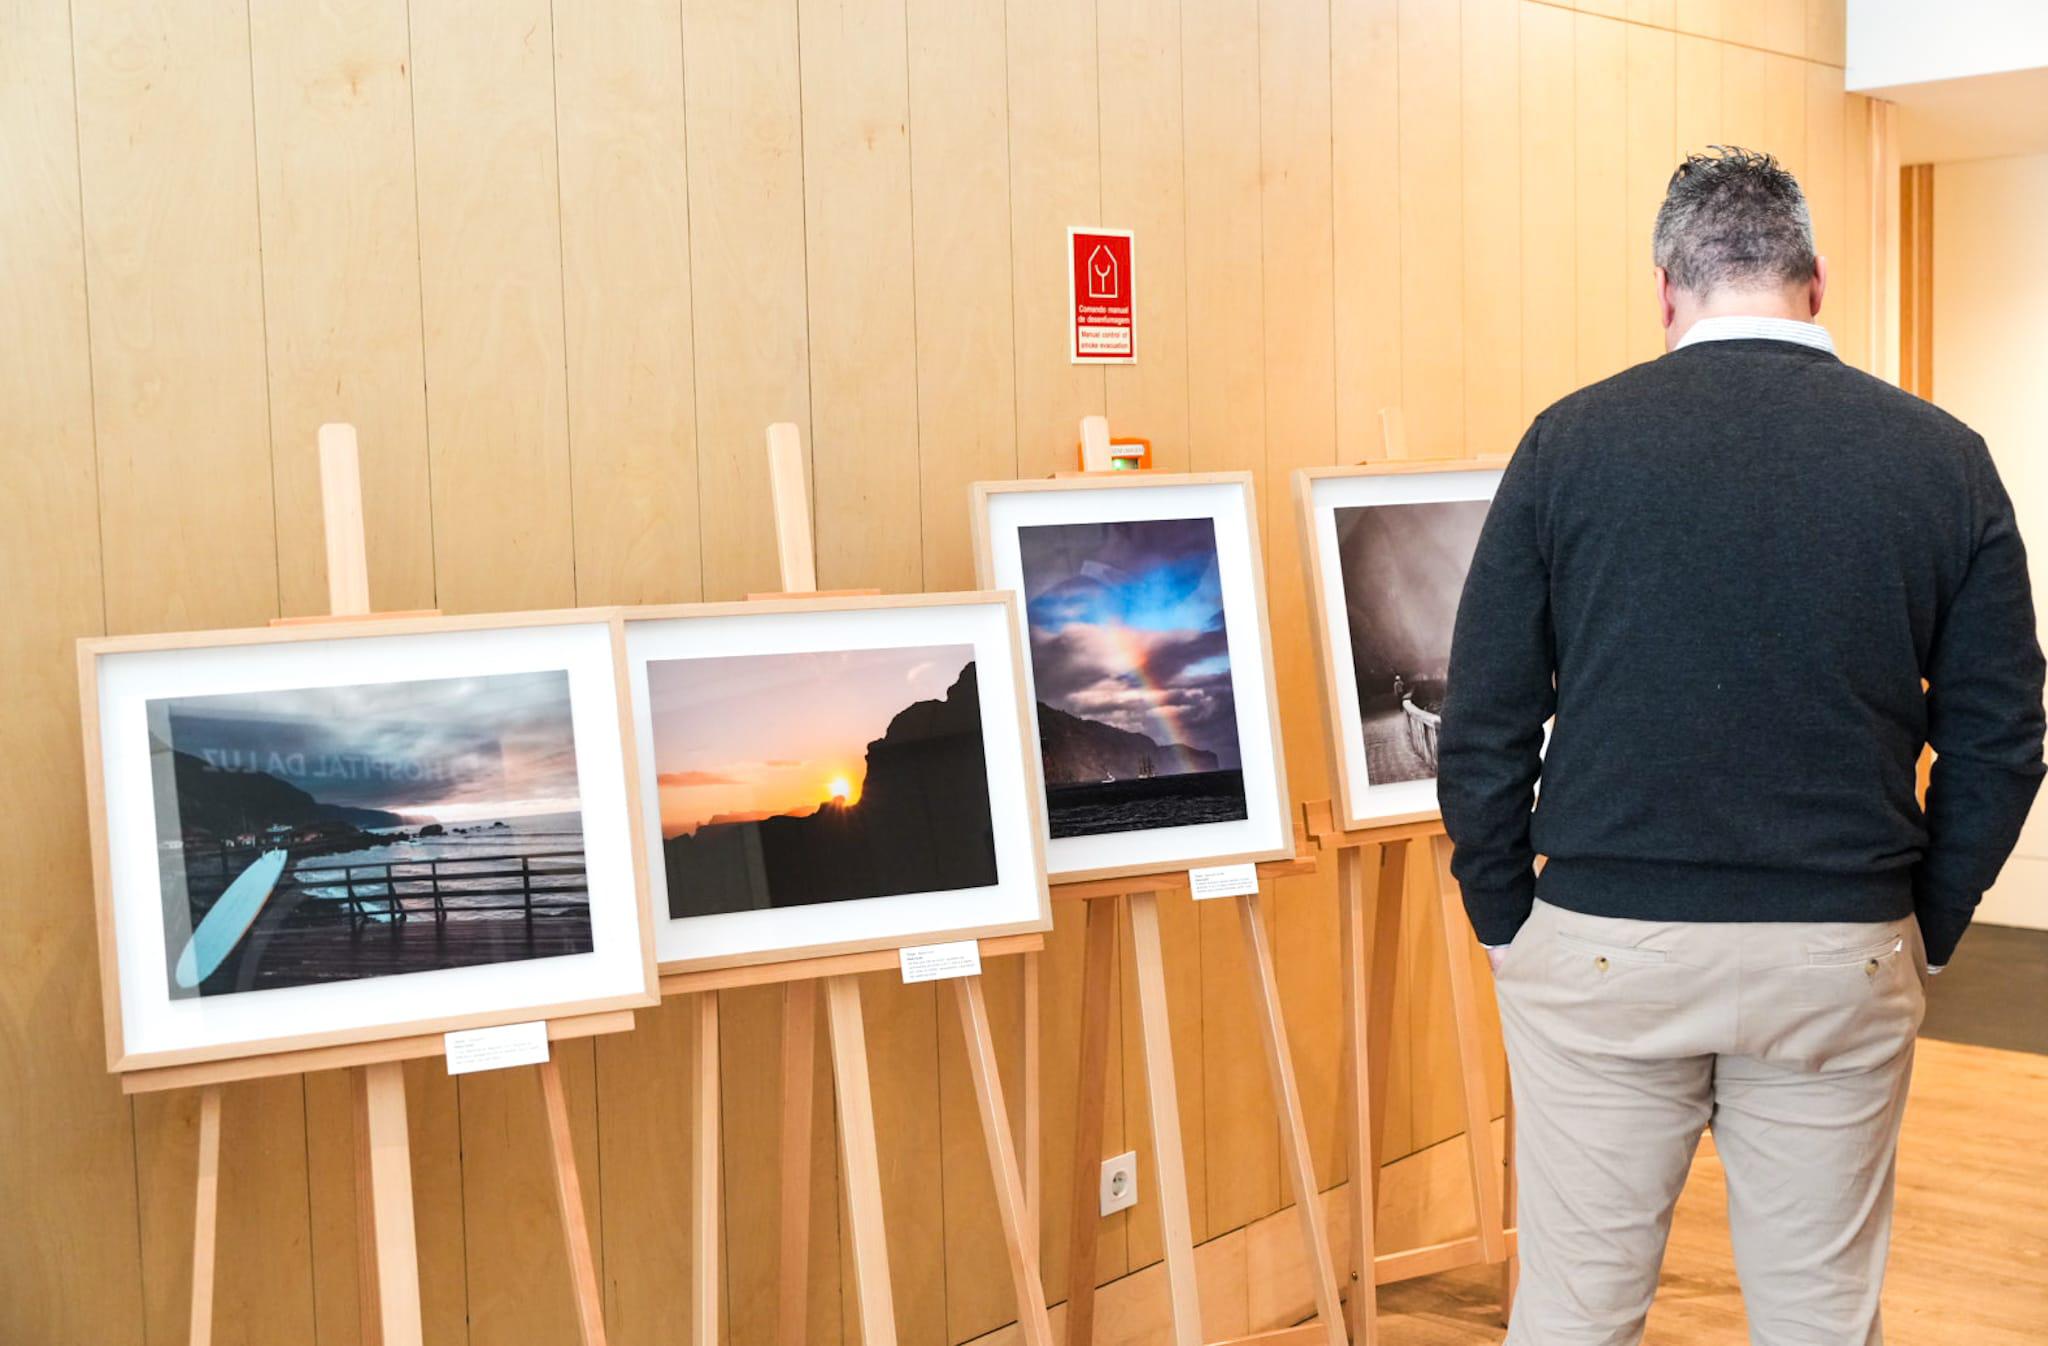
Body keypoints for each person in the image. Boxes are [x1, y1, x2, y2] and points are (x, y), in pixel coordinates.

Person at [1438, 147, 2045, 1345]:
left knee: (1573, 1311)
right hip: (1838, 944)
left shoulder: (1568, 442)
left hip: (1605, 943)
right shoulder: (1939, 456)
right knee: (1819, 1320)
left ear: (1664, 288)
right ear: (1814, 281)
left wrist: (1504, 912)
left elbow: (1485, 719)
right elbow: (2002, 728)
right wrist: (1925, 916)